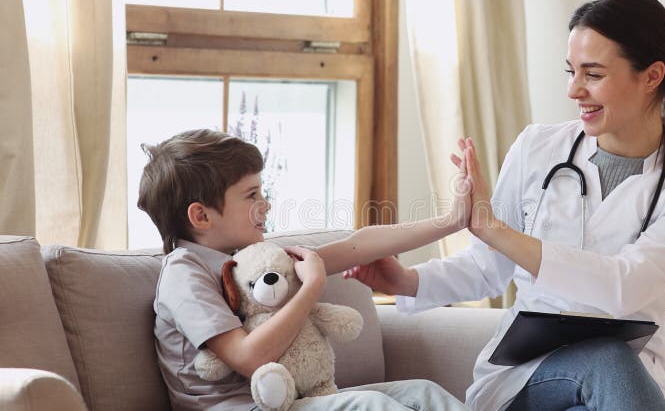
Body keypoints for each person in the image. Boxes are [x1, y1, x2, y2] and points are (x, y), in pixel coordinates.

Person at [344, 0, 665, 410]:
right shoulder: (538, 148)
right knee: (607, 357)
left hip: (633, 381)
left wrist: (494, 228)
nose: (573, 90)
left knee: (610, 364)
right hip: (527, 377)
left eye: (593, 74)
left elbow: (625, 286)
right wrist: (406, 281)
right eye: (571, 71)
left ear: (652, 76)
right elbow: (487, 267)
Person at [138, 129, 473, 410]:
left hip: (285, 401)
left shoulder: (250, 259)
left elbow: (358, 246)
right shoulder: (185, 274)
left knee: (422, 393)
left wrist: (452, 222)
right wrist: (311, 287)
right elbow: (247, 357)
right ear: (201, 217)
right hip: (241, 408)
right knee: (373, 406)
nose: (265, 203)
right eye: (252, 194)